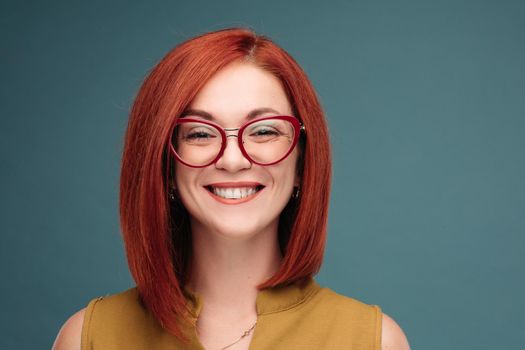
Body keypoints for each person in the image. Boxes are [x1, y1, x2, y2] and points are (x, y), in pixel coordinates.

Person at [53, 27, 410, 350]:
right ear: (164, 163)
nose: (234, 160)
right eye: (200, 133)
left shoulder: (373, 340)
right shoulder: (89, 336)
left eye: (265, 131)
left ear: (301, 163)